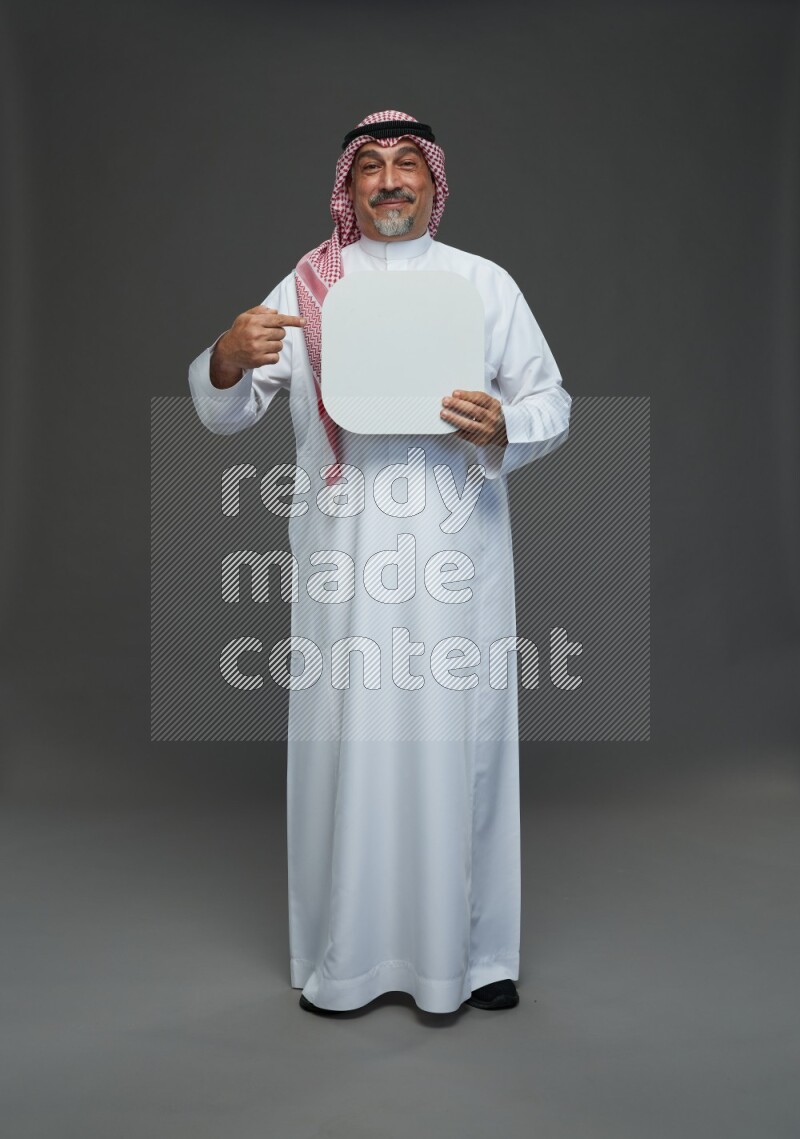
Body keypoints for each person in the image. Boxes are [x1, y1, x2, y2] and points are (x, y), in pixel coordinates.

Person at [188, 110, 571, 1015]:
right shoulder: (311, 283)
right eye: (373, 167)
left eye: (408, 165)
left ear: (434, 184)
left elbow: (553, 400)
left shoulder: (483, 285)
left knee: (461, 748)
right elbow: (227, 409)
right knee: (346, 746)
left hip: (454, 562)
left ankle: (476, 957)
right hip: (344, 563)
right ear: (348, 186)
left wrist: (507, 423)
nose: (391, 180)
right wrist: (224, 360)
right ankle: (345, 956)